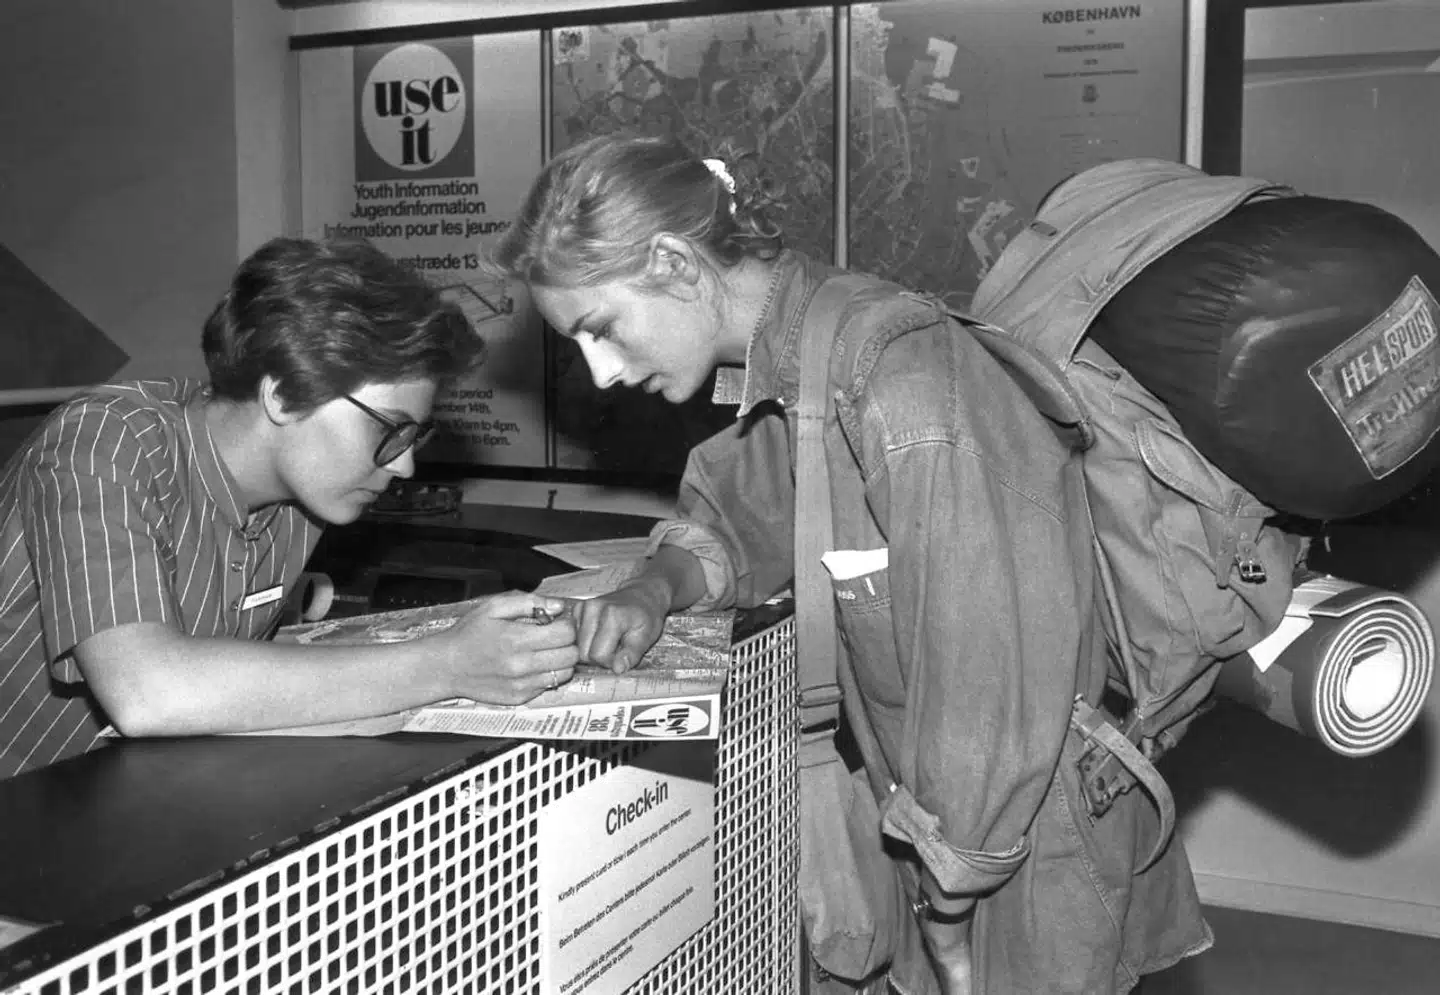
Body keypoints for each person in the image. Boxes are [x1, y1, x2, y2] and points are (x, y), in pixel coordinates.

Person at [491, 134, 1211, 994]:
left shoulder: (894, 377)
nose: (600, 373)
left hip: (1024, 841)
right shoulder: (805, 360)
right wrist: (655, 588)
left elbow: (990, 692)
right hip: (945, 823)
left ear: (675, 263)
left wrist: (948, 906)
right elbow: (745, 514)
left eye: (600, 328)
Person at [0, 236, 578, 780]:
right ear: (280, 393)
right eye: (390, 430)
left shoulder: (307, 495)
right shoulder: (106, 439)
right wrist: (448, 662)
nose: (404, 467)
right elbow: (149, 691)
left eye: (413, 438)